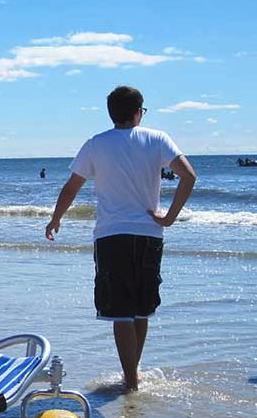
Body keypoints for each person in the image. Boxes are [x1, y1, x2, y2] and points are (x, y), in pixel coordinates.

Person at [45, 85, 196, 392]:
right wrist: (168, 217)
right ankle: (133, 375)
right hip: (149, 234)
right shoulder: (157, 138)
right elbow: (188, 176)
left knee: (121, 312)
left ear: (111, 112)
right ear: (138, 111)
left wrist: (56, 218)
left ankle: (130, 378)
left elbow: (71, 187)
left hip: (112, 236)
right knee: (141, 309)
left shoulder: (96, 144)